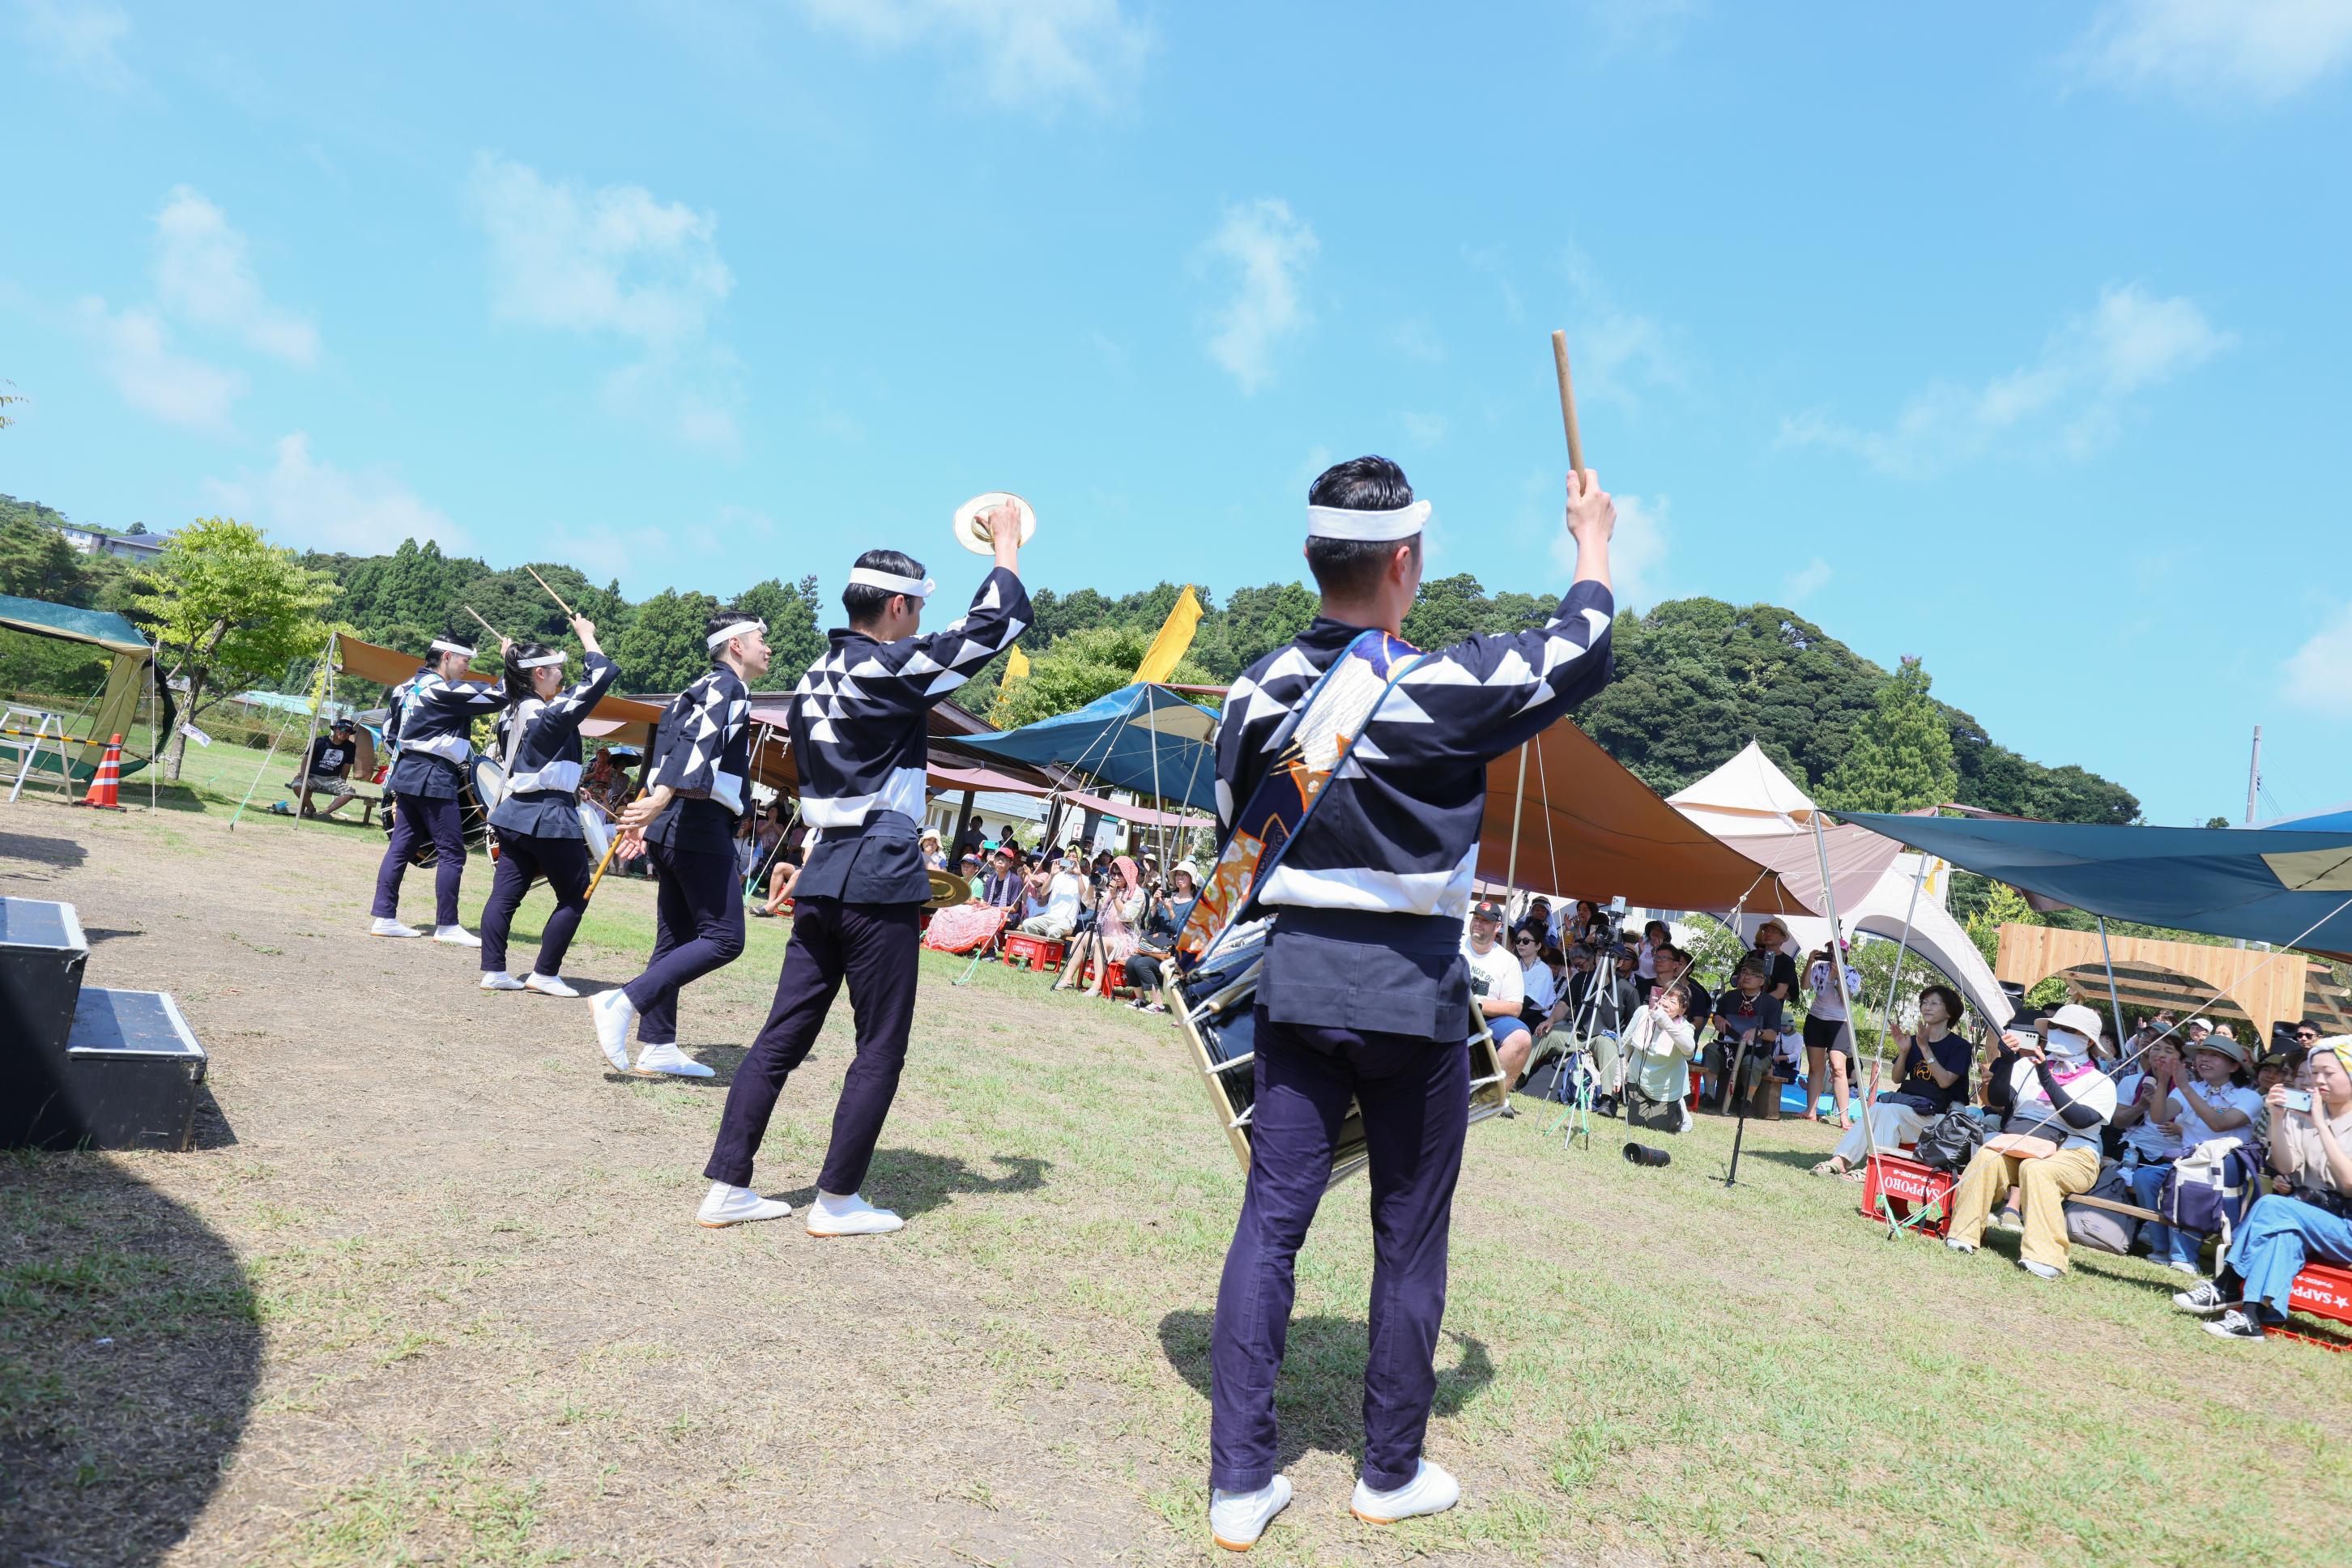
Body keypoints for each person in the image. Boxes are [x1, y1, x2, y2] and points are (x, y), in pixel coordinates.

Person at [1202, 454, 1615, 1548]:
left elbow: (1229, 827)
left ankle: (1240, 1482)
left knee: (1272, 1222)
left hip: (1292, 984)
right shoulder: (1440, 684)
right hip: (1414, 1001)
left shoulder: (1252, 690)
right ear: (1404, 559)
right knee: (1407, 1238)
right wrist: (1593, 542)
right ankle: (1389, 1472)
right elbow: (1582, 648)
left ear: (1311, 556)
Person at [697, 520, 1030, 1238]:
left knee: (781, 1035)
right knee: (880, 1041)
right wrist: (1006, 544)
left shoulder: (815, 676)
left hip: (825, 861)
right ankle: (837, 1200)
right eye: (917, 612)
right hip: (881, 859)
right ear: (900, 609)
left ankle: (727, 1185)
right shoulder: (887, 666)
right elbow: (997, 624)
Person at [588, 609, 771, 1080]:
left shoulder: (694, 690)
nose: (767, 647)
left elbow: (667, 752)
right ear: (736, 646)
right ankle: (622, 1000)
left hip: (673, 823)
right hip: (696, 823)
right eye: (760, 638)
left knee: (673, 941)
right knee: (725, 939)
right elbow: (694, 750)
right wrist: (658, 802)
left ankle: (658, 1045)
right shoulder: (724, 688)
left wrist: (647, 812)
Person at [476, 619, 619, 998]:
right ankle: (544, 973)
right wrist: (587, 634)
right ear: (538, 673)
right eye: (556, 668)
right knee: (575, 894)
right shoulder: (548, 714)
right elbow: (601, 673)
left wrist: (511, 655)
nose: (561, 674)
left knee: (505, 895)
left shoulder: (514, 707)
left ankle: (493, 970)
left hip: (515, 812)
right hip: (547, 817)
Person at [2175, 1034, 2352, 1339]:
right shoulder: (2305, 1114)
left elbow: (2349, 1183)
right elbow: (2286, 1167)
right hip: (2308, 1216)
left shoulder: (2320, 1119)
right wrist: (2278, 1119)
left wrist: (2321, 1126)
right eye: (2314, 1073)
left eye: (2328, 1073)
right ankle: (2252, 1318)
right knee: (2282, 1232)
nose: (2318, 1080)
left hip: (2345, 1226)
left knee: (2272, 1207)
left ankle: (2226, 1285)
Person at [1943, 1003, 2118, 1280]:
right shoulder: (2027, 1064)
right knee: (1987, 1156)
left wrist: (2047, 1079)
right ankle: (1964, 1233)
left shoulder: (2100, 1081)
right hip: (2022, 1144)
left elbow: (2080, 1119)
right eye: (2056, 1027)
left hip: (2075, 1153)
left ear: (2088, 1041)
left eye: (2069, 1030)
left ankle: (2046, 1256)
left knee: (2036, 1170)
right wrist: (2007, 1059)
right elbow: (1999, 1099)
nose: (2060, 1032)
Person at [369, 631, 509, 944]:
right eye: (465, 661)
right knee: (452, 852)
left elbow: (389, 733)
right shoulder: (442, 690)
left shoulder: (403, 687)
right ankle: (447, 926)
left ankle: (384, 916)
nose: (467, 667)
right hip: (433, 774)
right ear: (446, 657)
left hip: (407, 771)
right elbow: (497, 697)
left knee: (401, 848)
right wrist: (511, 661)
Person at [2128, 1033, 2263, 1274]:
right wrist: (2163, 1081)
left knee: (2188, 1181)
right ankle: (2161, 1247)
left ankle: (2184, 1257)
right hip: (2184, 1164)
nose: (2204, 1059)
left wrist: (2184, 1087)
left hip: (2223, 1171)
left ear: (2234, 1066)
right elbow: (2160, 1116)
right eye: (2202, 1053)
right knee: (2145, 1178)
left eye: (2215, 1056)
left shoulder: (2250, 1097)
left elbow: (2219, 1124)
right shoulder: (2191, 1088)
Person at [1813, 985, 1972, 1177]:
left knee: (1888, 1111)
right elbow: (1897, 1078)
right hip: (1910, 1108)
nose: (1926, 1007)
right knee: (1878, 1109)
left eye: (1934, 1003)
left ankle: (1874, 1171)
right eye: (1924, 1002)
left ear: (1949, 1012)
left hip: (1939, 1117)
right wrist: (1904, 1052)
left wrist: (1925, 1049)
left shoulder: (1960, 1046)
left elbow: (1945, 1081)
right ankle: (1841, 1160)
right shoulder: (1915, 1041)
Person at [1462, 897, 1530, 1095]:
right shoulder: (1454, 946)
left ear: (1498, 927)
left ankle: (1490, 1096)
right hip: (1447, 1013)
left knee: (1522, 1038)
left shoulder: (1507, 961)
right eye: (1476, 918)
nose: (1478, 924)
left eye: (1485, 921)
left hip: (1486, 1019)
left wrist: (1478, 1004)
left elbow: (1515, 1007)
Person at [1709, 957, 1786, 1118]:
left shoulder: (1772, 1004)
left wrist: (1758, 1032)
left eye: (1753, 974)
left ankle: (1747, 1101)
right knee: (1710, 1050)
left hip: (1759, 1051)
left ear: (1762, 980)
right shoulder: (1730, 997)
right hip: (1728, 1047)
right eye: (1744, 972)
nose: (1747, 976)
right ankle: (1709, 1095)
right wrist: (1718, 1019)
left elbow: (1772, 1035)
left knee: (1749, 1062)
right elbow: (1717, 1016)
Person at [1800, 940, 1863, 1130]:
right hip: (1816, 1019)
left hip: (1839, 1023)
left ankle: (1844, 1117)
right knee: (1815, 1066)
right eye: (1830, 950)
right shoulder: (1820, 968)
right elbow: (1804, 986)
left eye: (1838, 951)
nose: (1833, 954)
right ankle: (1811, 1111)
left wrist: (1837, 979)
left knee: (1838, 1068)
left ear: (1845, 954)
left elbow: (1847, 1000)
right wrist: (1809, 963)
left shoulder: (1851, 973)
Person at [1059, 854, 1142, 995]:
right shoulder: (1111, 892)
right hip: (1106, 934)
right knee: (1081, 936)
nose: (1116, 878)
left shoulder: (1137, 893)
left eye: (1120, 874)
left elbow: (1127, 916)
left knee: (1101, 942)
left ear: (1128, 874)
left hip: (1125, 940)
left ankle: (1096, 986)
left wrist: (1115, 896)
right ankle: (1068, 979)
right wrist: (1092, 884)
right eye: (1114, 874)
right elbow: (1090, 903)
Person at [1620, 984, 1698, 1133]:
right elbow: (1625, 1042)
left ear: (1682, 1010)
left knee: (1657, 1126)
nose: (1666, 1003)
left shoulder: (1684, 1027)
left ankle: (1679, 1112)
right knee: (1636, 1123)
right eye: (1665, 996)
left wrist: (1666, 1022)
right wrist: (1620, 1071)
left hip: (1667, 1087)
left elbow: (1689, 1050)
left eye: (1673, 1002)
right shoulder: (1643, 1012)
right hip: (1639, 1079)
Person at [295, 717, 364, 819]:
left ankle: (325, 812)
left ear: (350, 733)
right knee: (297, 784)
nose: (344, 732)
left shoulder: (351, 747)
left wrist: (343, 780)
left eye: (348, 731)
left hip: (332, 779)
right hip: (312, 776)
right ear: (335, 729)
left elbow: (347, 765)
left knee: (349, 793)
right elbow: (306, 758)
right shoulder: (320, 741)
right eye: (341, 729)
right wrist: (303, 773)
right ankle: (311, 808)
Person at [1020, 853, 1090, 940]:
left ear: (1079, 860)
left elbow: (1085, 899)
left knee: (1052, 931)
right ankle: (1037, 951)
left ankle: (1048, 952)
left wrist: (1079, 875)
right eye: (1068, 857)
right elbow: (1043, 892)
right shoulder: (1057, 875)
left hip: (1066, 922)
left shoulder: (1084, 879)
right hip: (1049, 917)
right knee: (1027, 924)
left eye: (1074, 857)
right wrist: (1052, 875)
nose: (1071, 859)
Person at [1747, 918, 1800, 1003]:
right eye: (1766, 931)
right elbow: (1738, 981)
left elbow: (1780, 993)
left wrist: (1755, 1002)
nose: (1768, 934)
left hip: (1769, 1010)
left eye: (1773, 931)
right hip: (1745, 1006)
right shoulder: (1752, 955)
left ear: (1782, 939)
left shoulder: (1787, 962)